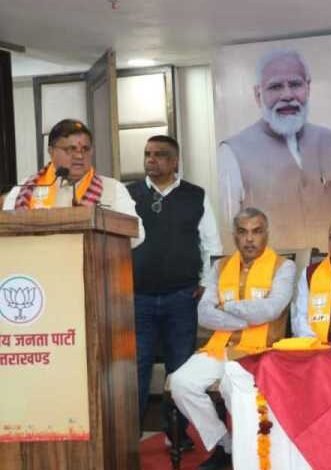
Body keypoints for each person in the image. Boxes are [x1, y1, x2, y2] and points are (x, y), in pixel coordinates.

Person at [170, 208, 295, 469]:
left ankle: (247, 452)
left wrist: (226, 307)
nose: (249, 239)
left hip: (258, 352)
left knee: (231, 385)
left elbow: (271, 309)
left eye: (256, 232)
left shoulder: (284, 267)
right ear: (234, 236)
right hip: (220, 348)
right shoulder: (220, 267)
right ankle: (224, 445)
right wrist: (248, 316)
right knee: (181, 383)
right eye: (242, 232)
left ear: (266, 234)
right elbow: (204, 314)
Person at [127, 135, 223, 448]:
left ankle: (177, 435)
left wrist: (205, 283)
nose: (151, 160)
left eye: (159, 154)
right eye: (147, 154)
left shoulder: (195, 195)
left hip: (182, 297)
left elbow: (212, 244)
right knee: (137, 369)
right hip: (138, 298)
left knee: (180, 369)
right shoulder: (128, 195)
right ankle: (131, 437)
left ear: (175, 161)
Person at [218, 48, 331, 250]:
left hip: (326, 265)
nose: (287, 95)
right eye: (275, 87)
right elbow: (228, 230)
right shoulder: (233, 151)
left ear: (308, 88)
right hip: (268, 266)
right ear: (258, 94)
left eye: (295, 84)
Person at [2, 118, 144, 245]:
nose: (79, 156)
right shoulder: (25, 188)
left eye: (85, 149)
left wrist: (102, 224)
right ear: (51, 151)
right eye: (70, 149)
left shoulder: (113, 189)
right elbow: (6, 234)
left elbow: (137, 236)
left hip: (93, 263)